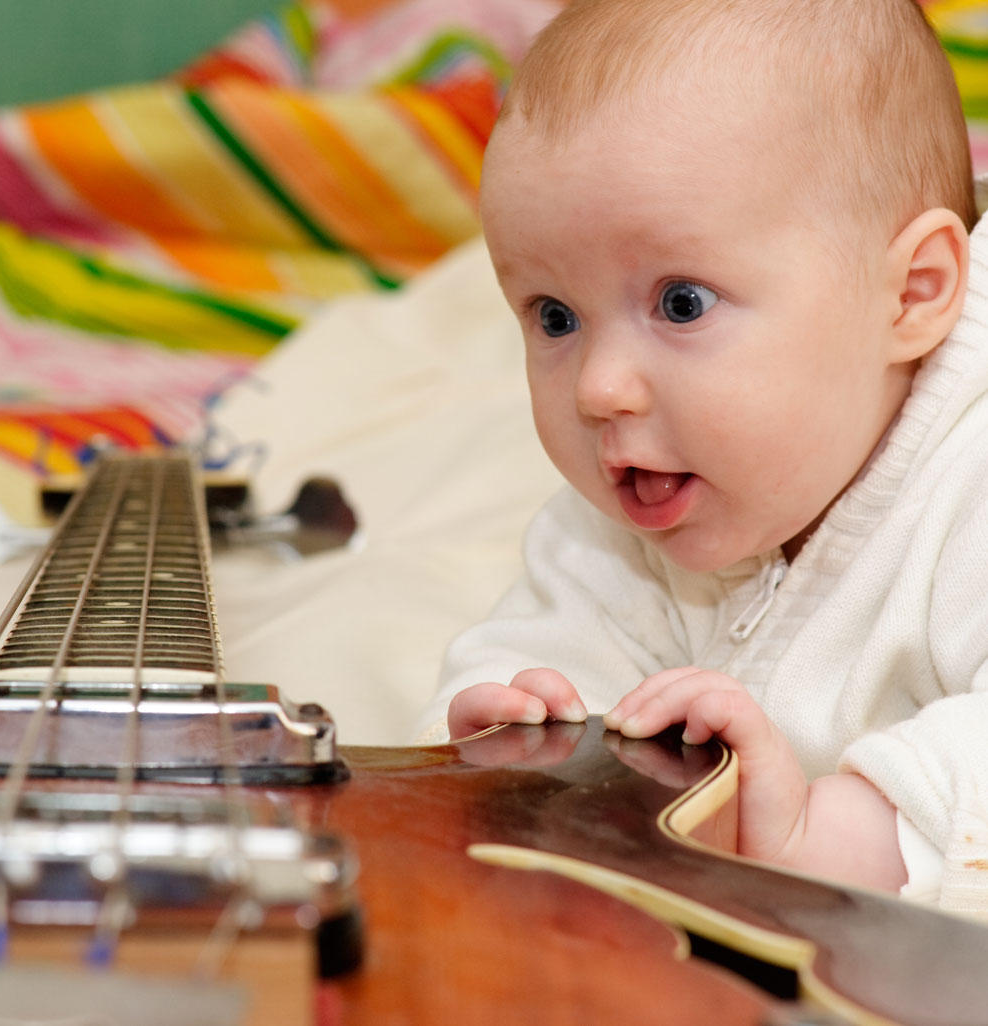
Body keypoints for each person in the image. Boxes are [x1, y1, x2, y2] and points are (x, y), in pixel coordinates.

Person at [416, 0, 988, 913]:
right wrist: (521, 750)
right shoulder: (615, 522)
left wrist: (827, 837)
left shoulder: (972, 489)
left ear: (913, 293)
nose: (599, 389)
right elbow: (547, 643)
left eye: (682, 303)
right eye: (554, 317)